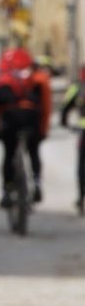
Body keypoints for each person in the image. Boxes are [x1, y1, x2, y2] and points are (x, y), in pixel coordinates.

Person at [0, 47, 51, 208]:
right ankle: (36, 182)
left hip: (10, 122)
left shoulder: (3, 80)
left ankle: (6, 192)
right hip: (32, 119)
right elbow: (46, 107)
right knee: (33, 151)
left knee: (9, 154)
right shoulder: (37, 79)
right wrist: (43, 131)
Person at [60, 66, 85, 215]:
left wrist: (64, 123)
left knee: (82, 165)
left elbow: (65, 106)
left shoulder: (78, 87)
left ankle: (81, 198)